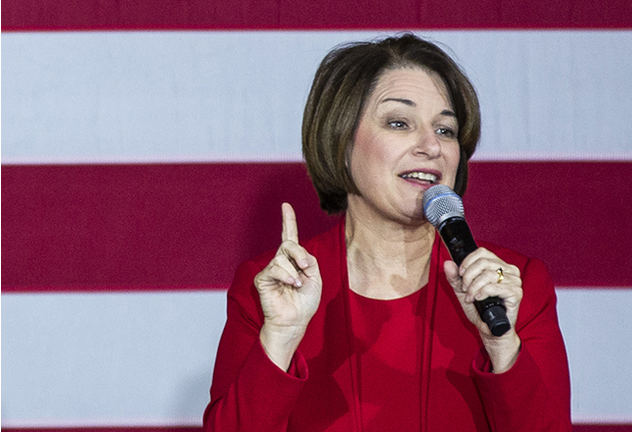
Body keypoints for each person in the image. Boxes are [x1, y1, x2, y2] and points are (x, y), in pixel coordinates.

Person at [203, 33, 572, 431]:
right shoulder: (273, 289)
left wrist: (503, 344)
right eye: (400, 123)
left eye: (446, 131)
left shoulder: (512, 283)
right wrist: (282, 337)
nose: (431, 146)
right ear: (341, 141)